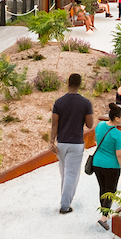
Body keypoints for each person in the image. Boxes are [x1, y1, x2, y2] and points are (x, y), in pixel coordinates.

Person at [50, 74, 94, 214]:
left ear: (68, 83)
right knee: (71, 174)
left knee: (64, 173)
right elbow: (89, 125)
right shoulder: (85, 103)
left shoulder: (59, 102)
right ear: (80, 84)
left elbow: (54, 124)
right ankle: (65, 205)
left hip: (61, 142)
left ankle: (65, 200)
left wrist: (51, 141)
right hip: (76, 143)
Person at [94, 103, 121, 230]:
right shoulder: (117, 135)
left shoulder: (100, 125)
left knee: (103, 189)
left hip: (97, 163)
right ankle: (103, 217)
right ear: (117, 119)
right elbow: (120, 155)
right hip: (111, 166)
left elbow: (97, 141)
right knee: (110, 191)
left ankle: (105, 213)